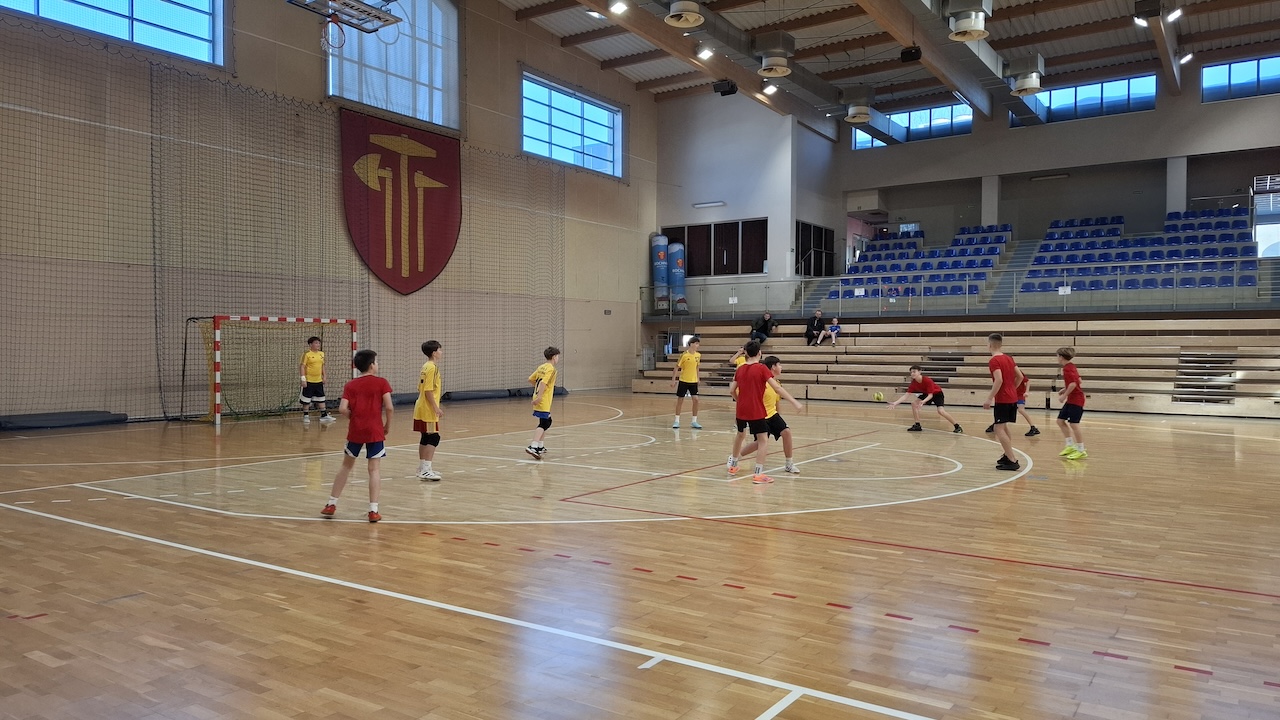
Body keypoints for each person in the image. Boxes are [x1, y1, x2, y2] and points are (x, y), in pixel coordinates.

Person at [320, 349, 393, 523]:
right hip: (375, 431)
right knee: (374, 469)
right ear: (372, 365)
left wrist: (355, 417)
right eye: (376, 362)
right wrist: (387, 426)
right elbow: (389, 407)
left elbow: (342, 409)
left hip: (356, 430)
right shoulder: (381, 383)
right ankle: (373, 510)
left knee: (346, 466)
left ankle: (331, 504)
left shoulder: (350, 385)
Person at [726, 341, 803, 484]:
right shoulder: (761, 368)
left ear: (746, 353)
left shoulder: (740, 369)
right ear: (759, 353)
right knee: (763, 441)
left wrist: (739, 401)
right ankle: (758, 474)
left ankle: (733, 466)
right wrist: (794, 402)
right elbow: (777, 388)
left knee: (740, 435)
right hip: (756, 409)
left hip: (741, 408)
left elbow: (731, 390)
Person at [735, 356, 800, 474]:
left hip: (772, 414)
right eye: (779, 365)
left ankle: (789, 464)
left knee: (786, 432)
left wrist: (779, 417)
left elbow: (776, 401)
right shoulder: (761, 379)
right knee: (758, 443)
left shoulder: (776, 382)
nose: (781, 367)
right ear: (773, 367)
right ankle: (736, 457)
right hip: (759, 415)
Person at [982, 333, 1025, 471]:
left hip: (1003, 399)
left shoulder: (994, 360)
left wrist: (989, 398)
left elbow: (999, 379)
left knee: (998, 428)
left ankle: (1012, 460)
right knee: (1004, 427)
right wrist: (1012, 389)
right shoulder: (1009, 358)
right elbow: (1020, 376)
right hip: (1012, 397)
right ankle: (1007, 455)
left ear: (989, 345)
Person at [888, 365, 962, 433]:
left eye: (914, 372)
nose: (912, 374)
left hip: (937, 394)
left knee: (941, 411)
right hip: (926, 394)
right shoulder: (913, 383)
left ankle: (957, 426)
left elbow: (930, 395)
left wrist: (923, 401)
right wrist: (895, 403)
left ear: (919, 372)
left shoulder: (927, 380)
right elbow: (906, 396)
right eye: (911, 372)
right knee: (914, 404)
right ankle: (917, 425)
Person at [413, 340, 444, 481]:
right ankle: (426, 470)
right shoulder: (432, 368)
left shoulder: (425, 366)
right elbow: (428, 390)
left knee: (425, 437)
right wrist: (436, 408)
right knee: (433, 437)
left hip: (421, 406)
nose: (441, 352)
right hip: (427, 408)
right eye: (440, 350)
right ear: (434, 353)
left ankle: (422, 467)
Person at [525, 347, 561, 460]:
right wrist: (540, 396)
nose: (558, 358)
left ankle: (540, 446)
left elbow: (531, 379)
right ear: (554, 357)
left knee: (546, 421)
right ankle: (533, 446)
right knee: (545, 423)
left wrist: (537, 391)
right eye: (558, 356)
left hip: (538, 397)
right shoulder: (551, 369)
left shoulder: (541, 367)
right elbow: (543, 383)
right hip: (543, 399)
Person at [1056, 347, 1088, 459]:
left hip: (1076, 400)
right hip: (1072, 399)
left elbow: (1073, 384)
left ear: (1061, 357)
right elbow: (1079, 381)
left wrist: (1064, 396)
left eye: (1057, 356)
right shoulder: (1071, 366)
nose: (1057, 358)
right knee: (1060, 421)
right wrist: (1065, 389)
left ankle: (1081, 450)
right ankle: (1070, 445)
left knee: (1074, 424)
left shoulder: (1067, 369)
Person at [299, 336, 335, 424]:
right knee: (306, 399)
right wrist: (303, 379)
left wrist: (324, 376)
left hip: (318, 381)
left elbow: (323, 366)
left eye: (319, 343)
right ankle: (306, 416)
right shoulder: (306, 354)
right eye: (316, 343)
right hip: (309, 381)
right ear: (310, 344)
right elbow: (302, 366)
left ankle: (324, 415)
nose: (318, 345)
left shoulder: (322, 354)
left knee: (321, 397)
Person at [670, 336, 702, 429]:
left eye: (698, 344)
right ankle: (676, 421)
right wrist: (673, 380)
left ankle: (694, 421)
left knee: (696, 400)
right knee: (680, 400)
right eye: (696, 343)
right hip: (683, 380)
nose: (698, 345)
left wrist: (698, 378)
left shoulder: (698, 355)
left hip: (693, 381)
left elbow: (697, 367)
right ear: (691, 344)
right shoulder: (684, 355)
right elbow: (676, 367)